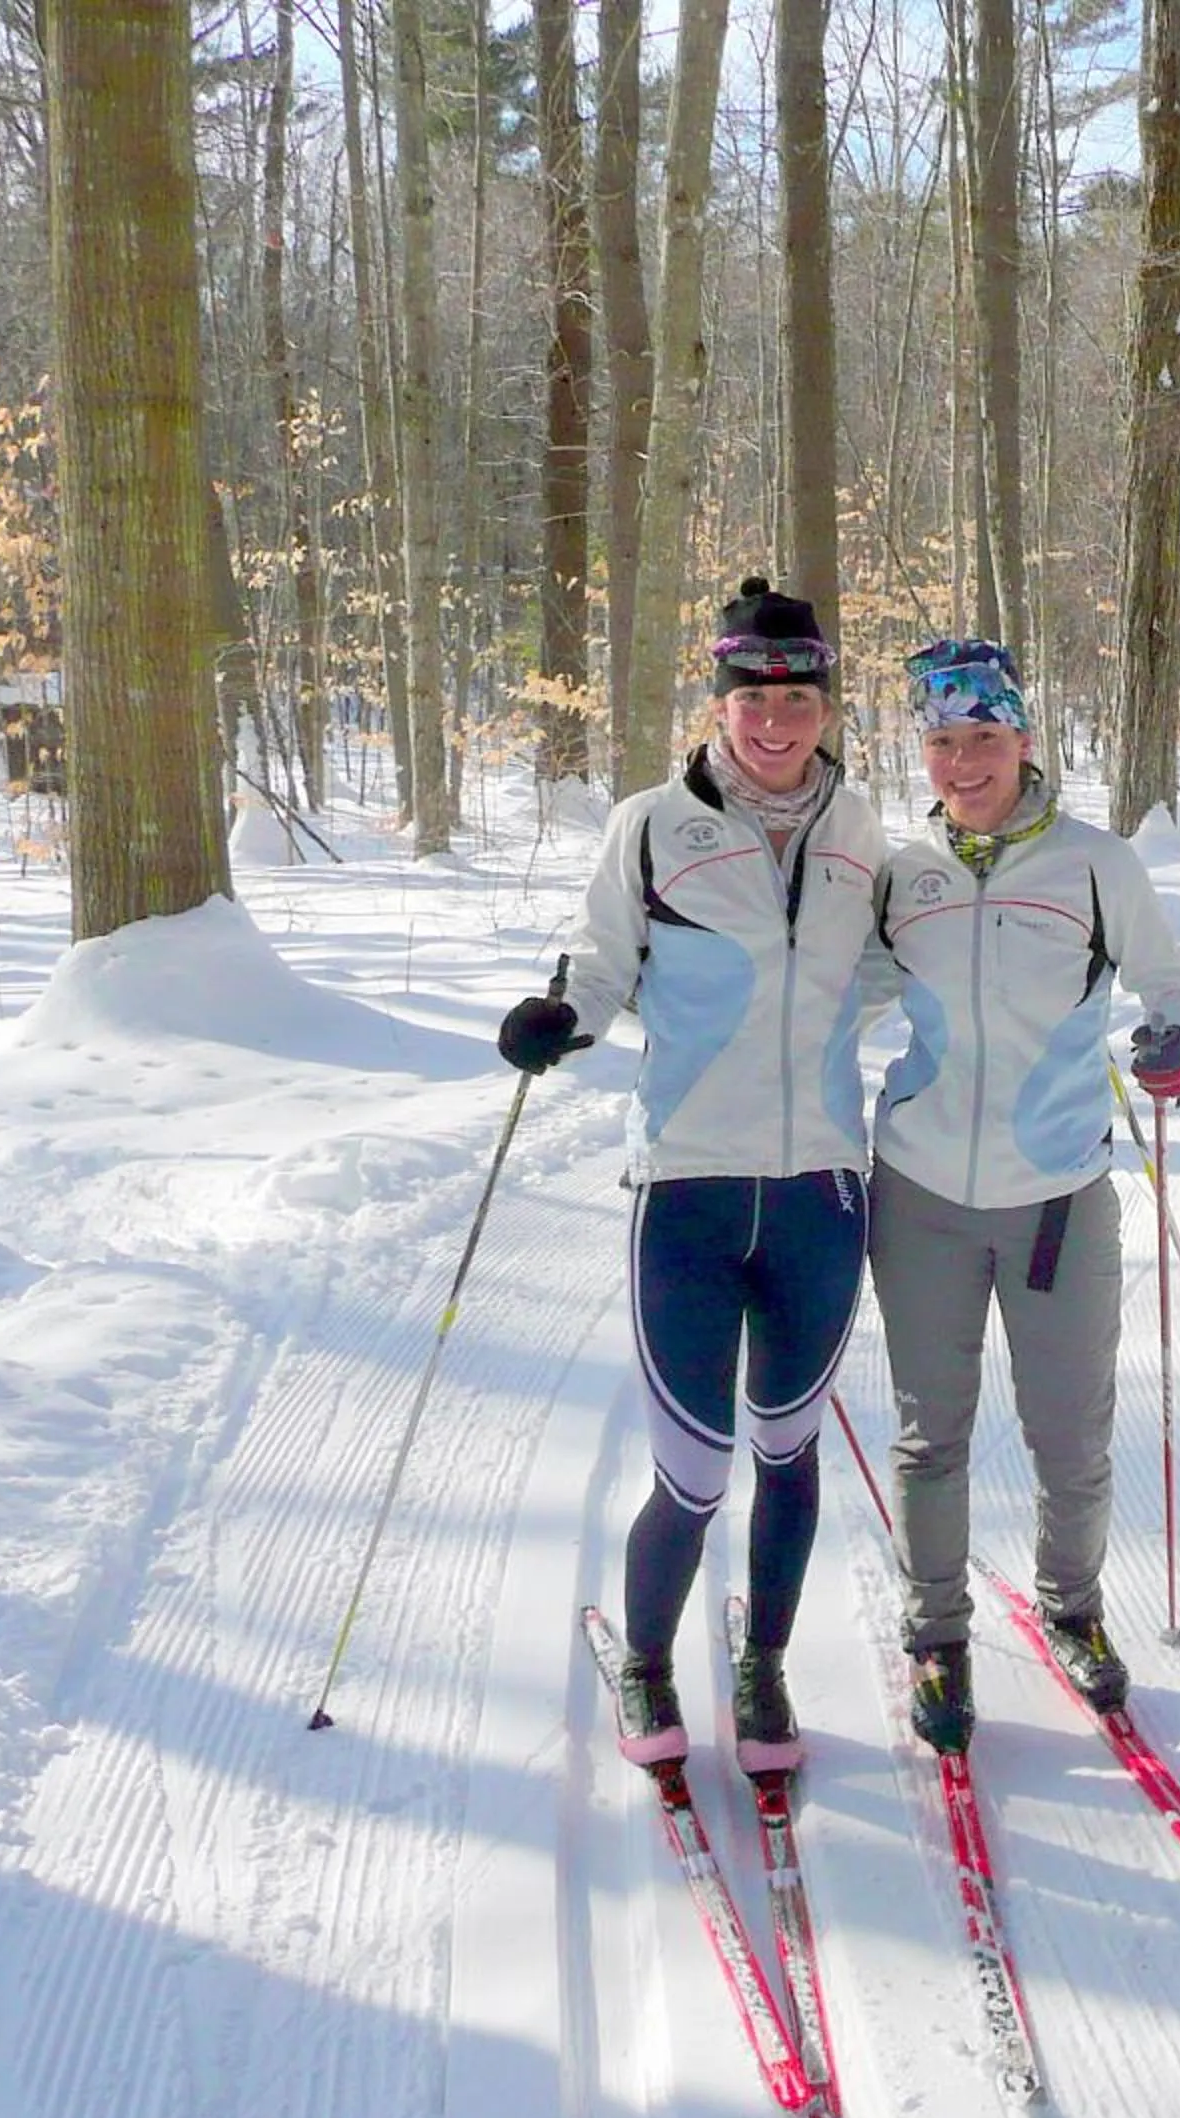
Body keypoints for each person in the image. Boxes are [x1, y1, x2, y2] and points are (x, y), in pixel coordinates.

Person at [496, 577, 888, 1772]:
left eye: (798, 698)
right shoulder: (651, 825)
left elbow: (895, 968)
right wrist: (559, 1019)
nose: (775, 720)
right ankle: (651, 1663)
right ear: (718, 705)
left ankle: (763, 1667)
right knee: (694, 1470)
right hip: (689, 1193)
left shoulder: (864, 829)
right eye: (751, 697)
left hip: (822, 1189)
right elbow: (606, 969)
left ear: (825, 705)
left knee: (788, 1450)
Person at [868, 637, 1180, 1756]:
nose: (964, 763)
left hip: (1059, 1197)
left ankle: (1072, 1609)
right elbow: (825, 996)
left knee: (1070, 1432)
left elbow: (1172, 983)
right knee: (933, 1435)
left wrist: (1173, 1043)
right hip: (918, 1195)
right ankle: (936, 1631)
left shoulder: (1095, 864)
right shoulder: (900, 870)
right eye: (942, 740)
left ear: (1024, 739)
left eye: (984, 738)